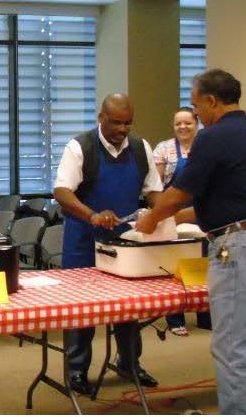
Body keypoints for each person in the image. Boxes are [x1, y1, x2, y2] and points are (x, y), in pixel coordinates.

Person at [136, 69, 246, 414]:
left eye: (196, 104)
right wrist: (171, 218)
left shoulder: (212, 137)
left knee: (232, 348)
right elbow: (225, 202)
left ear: (211, 101)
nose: (195, 113)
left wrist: (150, 219)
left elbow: (177, 195)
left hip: (238, 249)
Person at [54, 94, 164, 398]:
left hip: (124, 242)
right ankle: (76, 368)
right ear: (101, 118)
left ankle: (129, 362)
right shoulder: (80, 147)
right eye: (116, 122)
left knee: (129, 307)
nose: (123, 128)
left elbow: (153, 191)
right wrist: (91, 214)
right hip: (83, 240)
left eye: (128, 122)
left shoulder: (141, 148)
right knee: (81, 310)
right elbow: (62, 191)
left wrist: (162, 211)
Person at [154, 107, 200, 336]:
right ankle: (174, 317)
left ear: (197, 124)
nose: (183, 127)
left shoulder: (206, 146)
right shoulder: (164, 149)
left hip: (201, 210)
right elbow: (156, 185)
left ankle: (205, 313)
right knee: (173, 264)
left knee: (203, 262)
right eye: (178, 124)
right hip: (173, 209)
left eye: (188, 123)